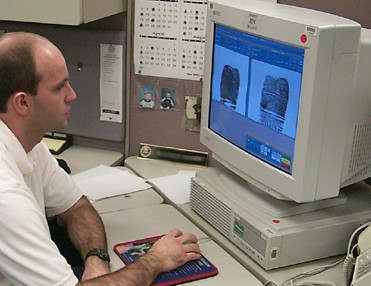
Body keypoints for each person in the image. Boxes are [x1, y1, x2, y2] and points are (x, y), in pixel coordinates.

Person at [0, 32, 201, 285]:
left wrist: (96, 258)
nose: (72, 95)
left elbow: (76, 206)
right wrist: (154, 260)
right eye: (58, 87)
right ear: (22, 103)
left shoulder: (29, 144)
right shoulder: (5, 195)